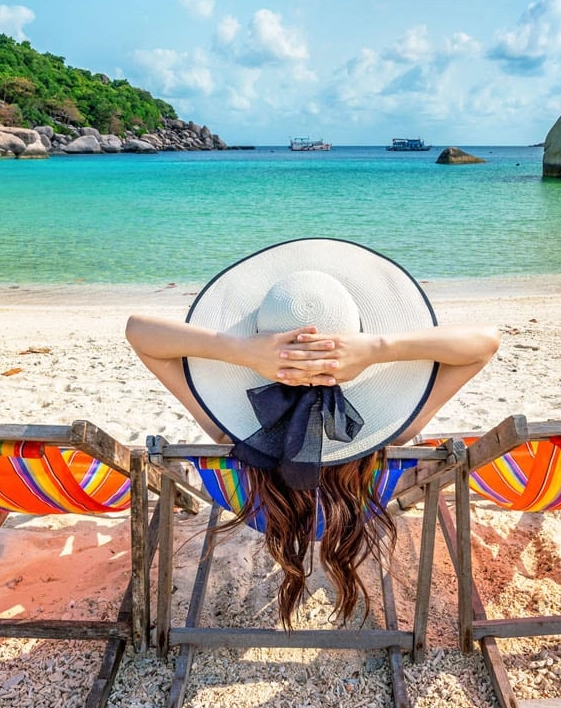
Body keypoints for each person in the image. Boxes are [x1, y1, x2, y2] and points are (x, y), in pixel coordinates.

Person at [126, 238, 498, 624]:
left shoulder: (229, 433)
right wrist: (377, 348)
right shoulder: (393, 432)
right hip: (354, 511)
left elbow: (137, 330)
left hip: (263, 514)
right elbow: (486, 342)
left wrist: (241, 350)